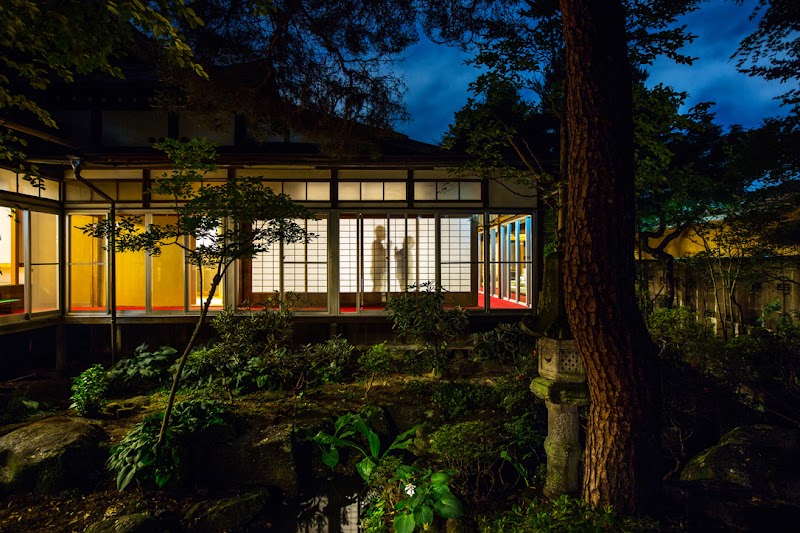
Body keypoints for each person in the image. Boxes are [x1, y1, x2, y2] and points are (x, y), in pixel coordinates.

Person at [371, 225, 387, 293]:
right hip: (377, 270)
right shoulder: (376, 243)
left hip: (379, 270)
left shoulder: (378, 243)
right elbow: (380, 255)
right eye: (383, 231)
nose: (385, 233)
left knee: (379, 287)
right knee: (378, 287)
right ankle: (373, 301)